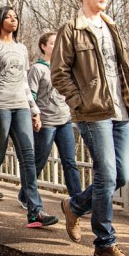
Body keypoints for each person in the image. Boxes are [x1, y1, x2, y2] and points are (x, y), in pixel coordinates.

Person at [51, 0, 129, 256]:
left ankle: (74, 205)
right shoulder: (72, 29)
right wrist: (80, 102)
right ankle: (105, 243)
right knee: (106, 174)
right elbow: (59, 73)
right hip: (92, 113)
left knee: (122, 175)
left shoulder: (110, 26)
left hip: (119, 110)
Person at [0, 7, 57, 228]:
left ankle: (35, 211)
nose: (14, 20)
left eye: (15, 16)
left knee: (28, 158)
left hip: (21, 107)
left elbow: (25, 84)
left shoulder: (21, 48)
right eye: (9, 17)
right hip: (0, 107)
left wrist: (35, 109)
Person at [19, 32, 81, 210]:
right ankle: (25, 195)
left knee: (70, 161)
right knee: (39, 160)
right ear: (43, 47)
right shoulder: (37, 69)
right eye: (53, 43)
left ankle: (77, 201)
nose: (56, 45)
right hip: (46, 122)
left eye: (58, 43)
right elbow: (30, 94)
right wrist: (34, 115)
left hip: (65, 120)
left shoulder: (65, 68)